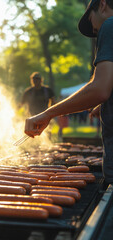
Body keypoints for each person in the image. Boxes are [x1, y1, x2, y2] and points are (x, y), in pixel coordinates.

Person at [24, 0, 113, 185]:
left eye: (91, 21)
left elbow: (99, 89)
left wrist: (48, 113)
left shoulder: (110, 25)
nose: (95, 31)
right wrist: (105, 104)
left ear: (102, 5)